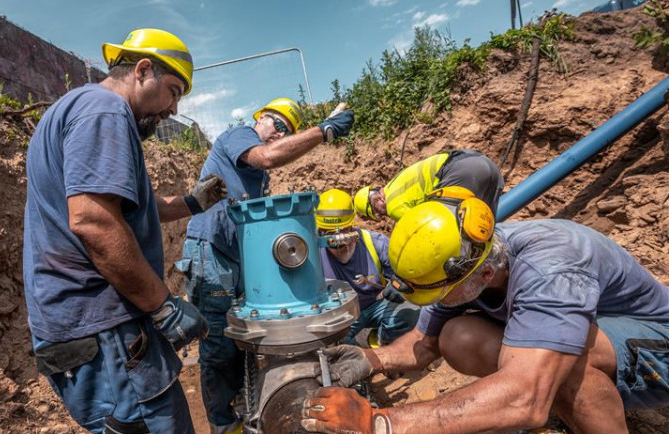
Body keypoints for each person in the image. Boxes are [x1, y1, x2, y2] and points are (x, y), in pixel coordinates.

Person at [301, 200, 669, 434]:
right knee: (457, 335)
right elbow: (425, 342)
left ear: (484, 276)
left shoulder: (551, 268)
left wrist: (381, 422)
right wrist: (371, 358)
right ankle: (566, 405)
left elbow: (525, 397)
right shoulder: (470, 257)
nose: (438, 301)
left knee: (561, 367)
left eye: (441, 292)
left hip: (657, 346)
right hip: (596, 335)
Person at [23, 28, 228, 434]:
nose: (173, 108)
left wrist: (192, 203)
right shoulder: (105, 111)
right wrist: (163, 306)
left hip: (87, 329)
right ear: (143, 69)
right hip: (104, 330)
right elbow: (94, 222)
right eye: (172, 90)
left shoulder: (77, 108)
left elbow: (122, 211)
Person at [179, 98, 355, 433]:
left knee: (246, 334)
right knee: (218, 344)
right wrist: (324, 131)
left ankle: (247, 401)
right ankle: (222, 424)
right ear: (259, 118)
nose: (278, 133)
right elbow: (269, 155)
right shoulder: (238, 136)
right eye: (276, 123)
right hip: (210, 250)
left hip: (238, 255)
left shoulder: (258, 179)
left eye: (286, 130)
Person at [316, 188, 420, 347]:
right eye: (329, 235)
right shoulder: (311, 253)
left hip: (375, 306)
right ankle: (356, 349)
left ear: (351, 224)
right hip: (339, 317)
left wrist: (399, 284)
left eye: (343, 232)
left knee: (408, 311)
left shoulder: (375, 243)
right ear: (320, 231)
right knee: (335, 346)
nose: (339, 242)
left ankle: (376, 339)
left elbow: (406, 276)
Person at [353, 149, 504, 221]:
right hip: (480, 161)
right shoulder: (395, 183)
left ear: (376, 202)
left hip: (460, 173)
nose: (382, 214)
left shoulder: (393, 206)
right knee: (486, 227)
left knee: (455, 231)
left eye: (377, 212)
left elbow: (423, 227)